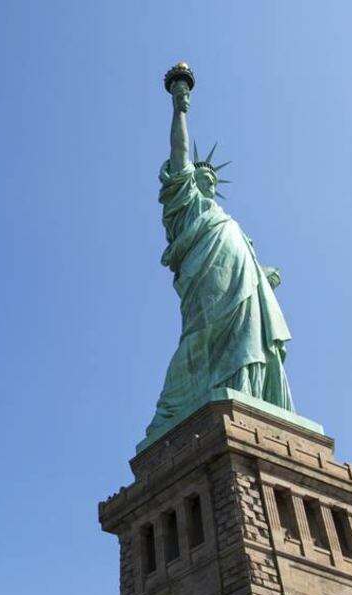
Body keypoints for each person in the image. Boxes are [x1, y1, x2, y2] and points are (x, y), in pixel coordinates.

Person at [147, 66, 293, 435]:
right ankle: (178, 411)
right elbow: (180, 152)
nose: (207, 175)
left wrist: (262, 277)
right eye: (201, 173)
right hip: (205, 281)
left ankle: (248, 397)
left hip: (244, 286)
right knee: (201, 338)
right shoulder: (186, 203)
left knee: (249, 339)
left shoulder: (229, 221)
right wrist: (180, 108)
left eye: (212, 175)